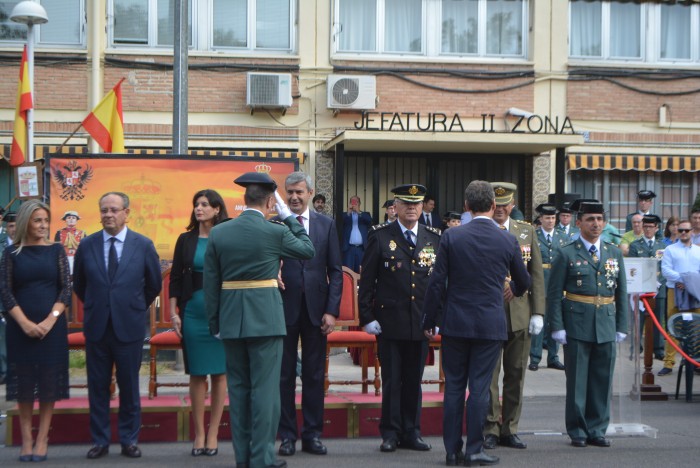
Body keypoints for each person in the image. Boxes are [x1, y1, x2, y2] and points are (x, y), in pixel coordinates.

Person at [204, 172, 314, 468]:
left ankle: (243, 459)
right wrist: (289, 216)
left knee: (238, 393)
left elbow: (211, 284)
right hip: (266, 319)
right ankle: (262, 458)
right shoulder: (275, 231)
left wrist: (215, 323)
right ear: (269, 202)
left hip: (231, 320)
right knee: (266, 393)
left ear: (243, 199)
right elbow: (307, 249)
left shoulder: (219, 233)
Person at [422, 180, 531, 467]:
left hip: (456, 322)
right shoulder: (507, 239)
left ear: (466, 206)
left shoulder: (451, 237)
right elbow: (524, 281)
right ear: (494, 206)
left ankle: (451, 451)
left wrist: (429, 319)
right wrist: (513, 292)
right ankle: (474, 449)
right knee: (480, 389)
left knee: (455, 388)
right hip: (489, 323)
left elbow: (436, 283)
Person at [73, 191, 162, 460]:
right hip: (97, 325)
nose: (108, 215)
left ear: (126, 213)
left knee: (129, 386)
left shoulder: (143, 245)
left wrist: (132, 306)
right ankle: (100, 441)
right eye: (104, 210)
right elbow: (80, 284)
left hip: (129, 327)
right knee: (98, 386)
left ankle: (128, 440)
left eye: (114, 210)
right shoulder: (87, 245)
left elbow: (153, 285)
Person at [359, 184, 440, 454]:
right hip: (390, 321)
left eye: (416, 204)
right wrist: (366, 316)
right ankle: (390, 433)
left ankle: (412, 431)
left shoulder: (433, 237)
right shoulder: (380, 236)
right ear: (396, 205)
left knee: (413, 380)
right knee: (393, 381)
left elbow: (438, 282)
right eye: (406, 203)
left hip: (420, 322)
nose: (412, 208)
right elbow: (367, 281)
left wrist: (436, 317)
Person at [549, 201, 628, 448]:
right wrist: (557, 326)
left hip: (605, 321)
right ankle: (578, 429)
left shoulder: (613, 252)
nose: (596, 224)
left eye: (600, 219)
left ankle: (598, 429)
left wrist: (621, 325)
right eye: (591, 219)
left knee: (602, 380)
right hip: (577, 323)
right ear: (579, 222)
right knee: (577, 380)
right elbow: (553, 294)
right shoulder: (566, 252)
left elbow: (621, 291)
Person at [277, 172, 343, 457]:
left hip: (317, 311)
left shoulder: (326, 225)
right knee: (284, 376)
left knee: (314, 376)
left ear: (310, 193)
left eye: (299, 192)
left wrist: (331, 311)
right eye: (289, 192)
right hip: (282, 309)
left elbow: (336, 272)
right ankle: (287, 436)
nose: (293, 197)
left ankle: (313, 435)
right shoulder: (275, 225)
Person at [0, 200, 71, 462]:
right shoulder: (11, 254)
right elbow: (6, 292)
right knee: (25, 385)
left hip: (51, 329)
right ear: (25, 223)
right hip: (20, 329)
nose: (42, 226)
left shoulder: (56, 250)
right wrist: (25, 323)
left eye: (45, 221)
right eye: (37, 220)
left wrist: (49, 321)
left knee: (49, 385)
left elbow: (65, 289)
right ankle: (26, 440)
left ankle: (42, 439)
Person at [484, 182, 545, 452]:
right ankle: (490, 428)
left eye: (505, 204)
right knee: (488, 377)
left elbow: (536, 275)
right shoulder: (482, 231)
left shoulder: (526, 231)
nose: (500, 209)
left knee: (516, 375)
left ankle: (510, 428)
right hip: (489, 312)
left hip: (520, 313)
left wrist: (539, 312)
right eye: (496, 205)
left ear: (512, 206)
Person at [169, 189, 229, 457]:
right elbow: (175, 281)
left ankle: (214, 433)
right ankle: (199, 434)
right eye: (196, 204)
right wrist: (173, 313)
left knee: (219, 373)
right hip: (192, 310)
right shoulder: (185, 239)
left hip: (221, 311)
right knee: (197, 373)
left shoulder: (226, 238)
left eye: (204, 204)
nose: (199, 208)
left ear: (217, 209)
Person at [658, 219, 700, 376]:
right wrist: (684, 279)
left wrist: (689, 282)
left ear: (691, 231)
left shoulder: (698, 250)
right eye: (681, 230)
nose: (683, 233)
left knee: (697, 327)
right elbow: (666, 271)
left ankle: (696, 361)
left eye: (686, 230)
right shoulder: (670, 249)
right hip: (674, 291)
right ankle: (669, 363)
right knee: (672, 326)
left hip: (694, 292)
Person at [529, 203, 567, 372]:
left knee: (555, 321)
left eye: (553, 218)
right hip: (540, 282)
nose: (550, 221)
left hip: (557, 283)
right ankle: (535, 357)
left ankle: (553, 357)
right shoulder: (534, 236)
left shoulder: (562, 237)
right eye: (547, 218)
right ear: (541, 219)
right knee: (538, 321)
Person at [628, 215, 667, 361]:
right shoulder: (635, 245)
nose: (648, 229)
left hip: (658, 289)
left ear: (656, 229)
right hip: (641, 288)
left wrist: (657, 283)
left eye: (651, 227)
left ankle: (658, 349)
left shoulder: (662, 246)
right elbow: (633, 267)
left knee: (658, 319)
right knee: (638, 319)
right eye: (646, 227)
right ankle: (636, 347)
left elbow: (665, 268)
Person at [341, 195, 372, 273]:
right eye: (352, 202)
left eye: (356, 202)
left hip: (361, 249)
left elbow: (370, 222)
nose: (354, 204)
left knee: (361, 270)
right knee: (348, 271)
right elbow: (340, 223)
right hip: (349, 249)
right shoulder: (345, 215)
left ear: (359, 204)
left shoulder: (365, 214)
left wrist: (358, 212)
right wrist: (348, 212)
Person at [54, 210, 87, 274]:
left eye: (73, 218)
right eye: (69, 218)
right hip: (63, 260)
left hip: (78, 260)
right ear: (65, 220)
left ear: (76, 220)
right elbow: (56, 249)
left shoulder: (82, 233)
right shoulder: (59, 233)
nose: (71, 220)